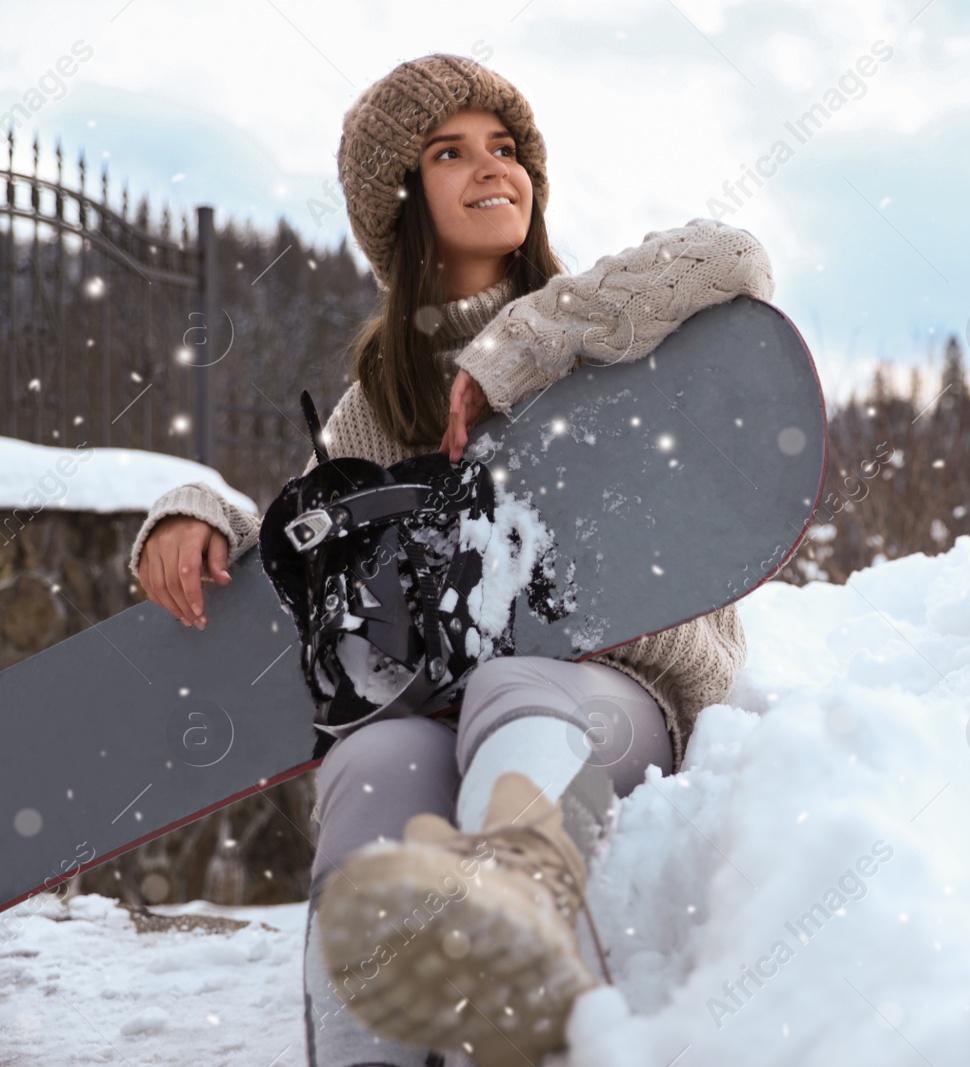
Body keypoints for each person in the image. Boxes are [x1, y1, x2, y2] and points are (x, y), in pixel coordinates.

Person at [129, 52, 775, 1067]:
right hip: (444, 711)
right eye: (449, 151)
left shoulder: (605, 324)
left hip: (613, 690)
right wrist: (193, 508)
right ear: (401, 198)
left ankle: (527, 901)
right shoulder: (377, 406)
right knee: (373, 759)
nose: (492, 168)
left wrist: (519, 347)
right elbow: (307, 557)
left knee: (515, 678)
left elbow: (731, 256)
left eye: (505, 146)